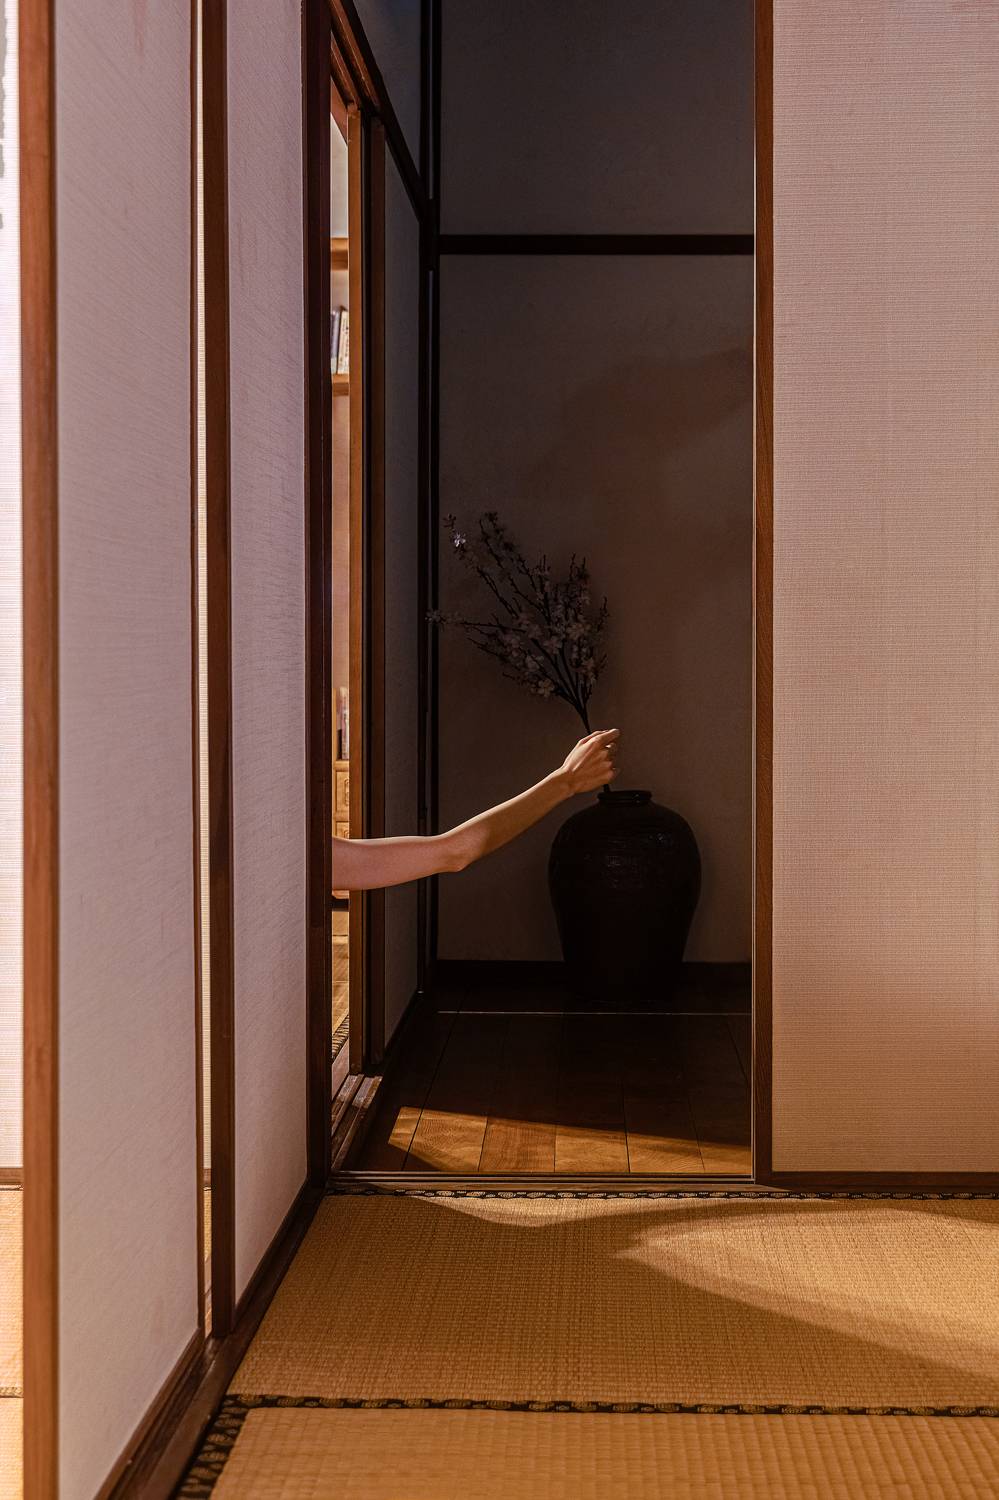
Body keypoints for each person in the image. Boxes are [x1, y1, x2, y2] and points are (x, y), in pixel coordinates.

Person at [332, 728, 620, 891]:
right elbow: (455, 851)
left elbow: (454, 851)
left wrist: (565, 781)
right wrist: (565, 782)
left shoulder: (315, 855)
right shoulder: (314, 856)